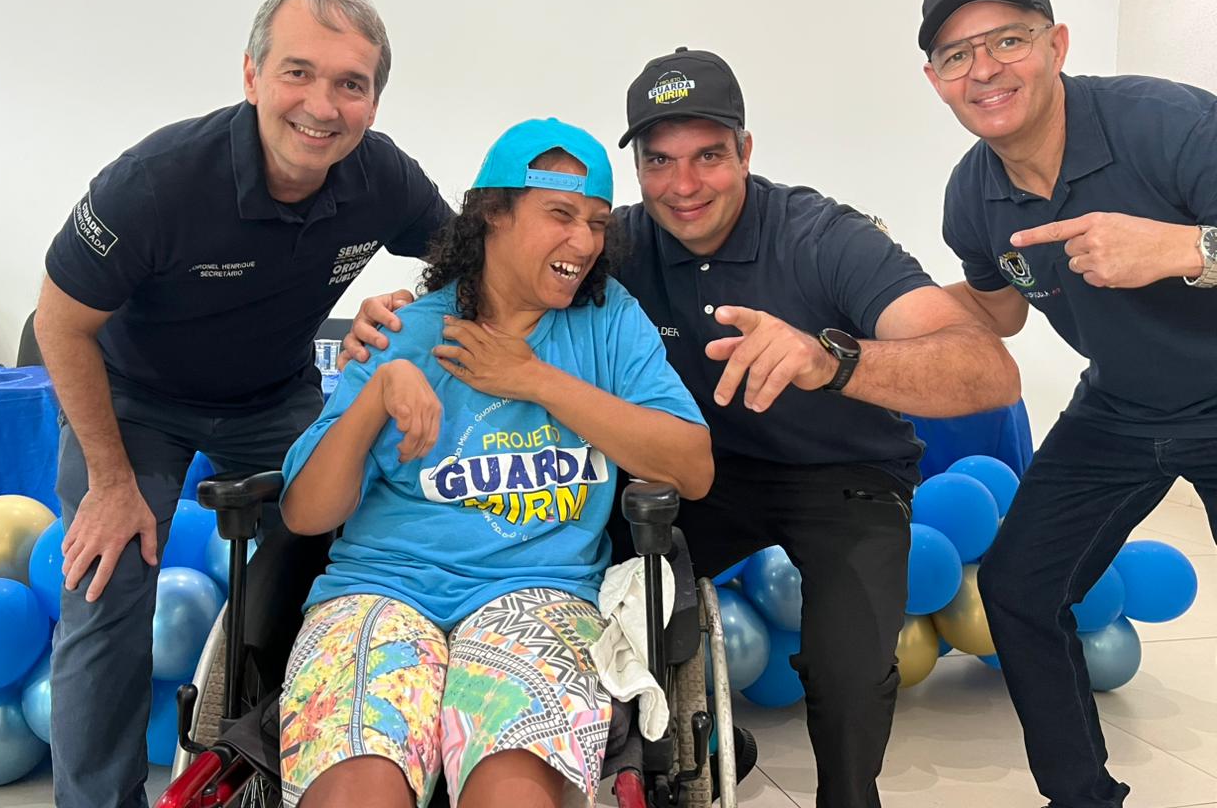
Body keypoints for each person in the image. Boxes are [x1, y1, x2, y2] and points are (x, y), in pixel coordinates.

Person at [345, 49, 1021, 808]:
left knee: (848, 668)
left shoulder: (825, 237)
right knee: (596, 579)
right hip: (696, 475)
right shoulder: (609, 245)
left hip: (842, 474)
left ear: (746, 151)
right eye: (659, 161)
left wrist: (828, 360)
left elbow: (987, 370)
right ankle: (650, 751)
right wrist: (394, 318)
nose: (684, 185)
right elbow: (496, 264)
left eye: (709, 156)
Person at [35, 0, 452, 808]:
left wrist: (406, 310)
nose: (322, 106)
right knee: (107, 583)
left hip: (272, 393)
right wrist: (112, 484)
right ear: (253, 74)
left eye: (350, 84)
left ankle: (290, 768)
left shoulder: (380, 178)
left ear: (373, 101)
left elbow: (464, 260)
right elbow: (59, 322)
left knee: (345, 555)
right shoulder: (155, 182)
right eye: (298, 72)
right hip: (134, 400)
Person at [276, 117, 711, 808]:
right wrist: (378, 396)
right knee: (359, 789)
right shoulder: (405, 332)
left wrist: (535, 380)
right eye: (560, 215)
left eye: (597, 223)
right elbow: (306, 514)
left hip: (539, 595)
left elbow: (692, 466)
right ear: (492, 215)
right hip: (382, 591)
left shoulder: (607, 322)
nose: (584, 243)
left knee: (512, 791)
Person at [919, 0, 1217, 808]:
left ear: (1056, 44)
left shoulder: (1167, 125)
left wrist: (1185, 248)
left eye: (1007, 40)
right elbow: (1000, 312)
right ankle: (1082, 797)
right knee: (1017, 589)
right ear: (936, 81)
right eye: (957, 55)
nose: (984, 69)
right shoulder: (972, 195)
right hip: (1119, 408)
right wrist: (873, 305)